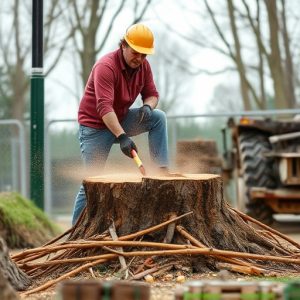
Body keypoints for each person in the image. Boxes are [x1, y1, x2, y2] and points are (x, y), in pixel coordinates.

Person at [72, 23, 169, 225]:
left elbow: (152, 94)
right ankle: (75, 233)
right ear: (124, 45)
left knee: (158, 117)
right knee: (91, 182)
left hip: (121, 118)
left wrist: (147, 107)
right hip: (95, 127)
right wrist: (122, 136)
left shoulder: (143, 66)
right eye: (136, 53)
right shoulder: (105, 67)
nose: (140, 59)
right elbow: (104, 107)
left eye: (144, 55)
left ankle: (161, 172)